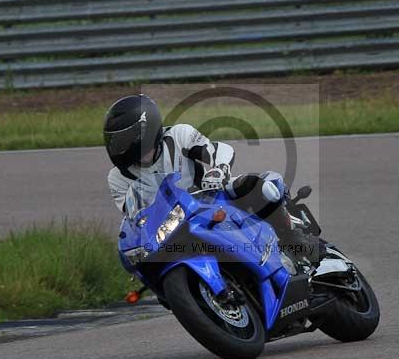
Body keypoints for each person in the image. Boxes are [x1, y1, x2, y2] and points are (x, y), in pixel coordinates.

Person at [103, 94, 325, 264]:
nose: (118, 149)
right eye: (114, 142)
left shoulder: (178, 135)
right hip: (171, 227)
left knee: (255, 187)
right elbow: (133, 216)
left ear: (144, 130)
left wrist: (218, 170)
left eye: (122, 141)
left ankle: (291, 238)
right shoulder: (117, 177)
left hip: (210, 197)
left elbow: (219, 150)